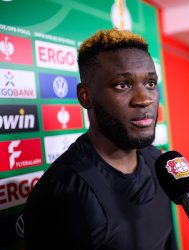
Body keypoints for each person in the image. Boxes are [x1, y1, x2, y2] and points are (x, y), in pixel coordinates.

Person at [24, 28, 177, 250]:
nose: (144, 99)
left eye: (150, 84)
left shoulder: (159, 162)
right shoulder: (62, 194)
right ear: (85, 96)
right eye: (122, 85)